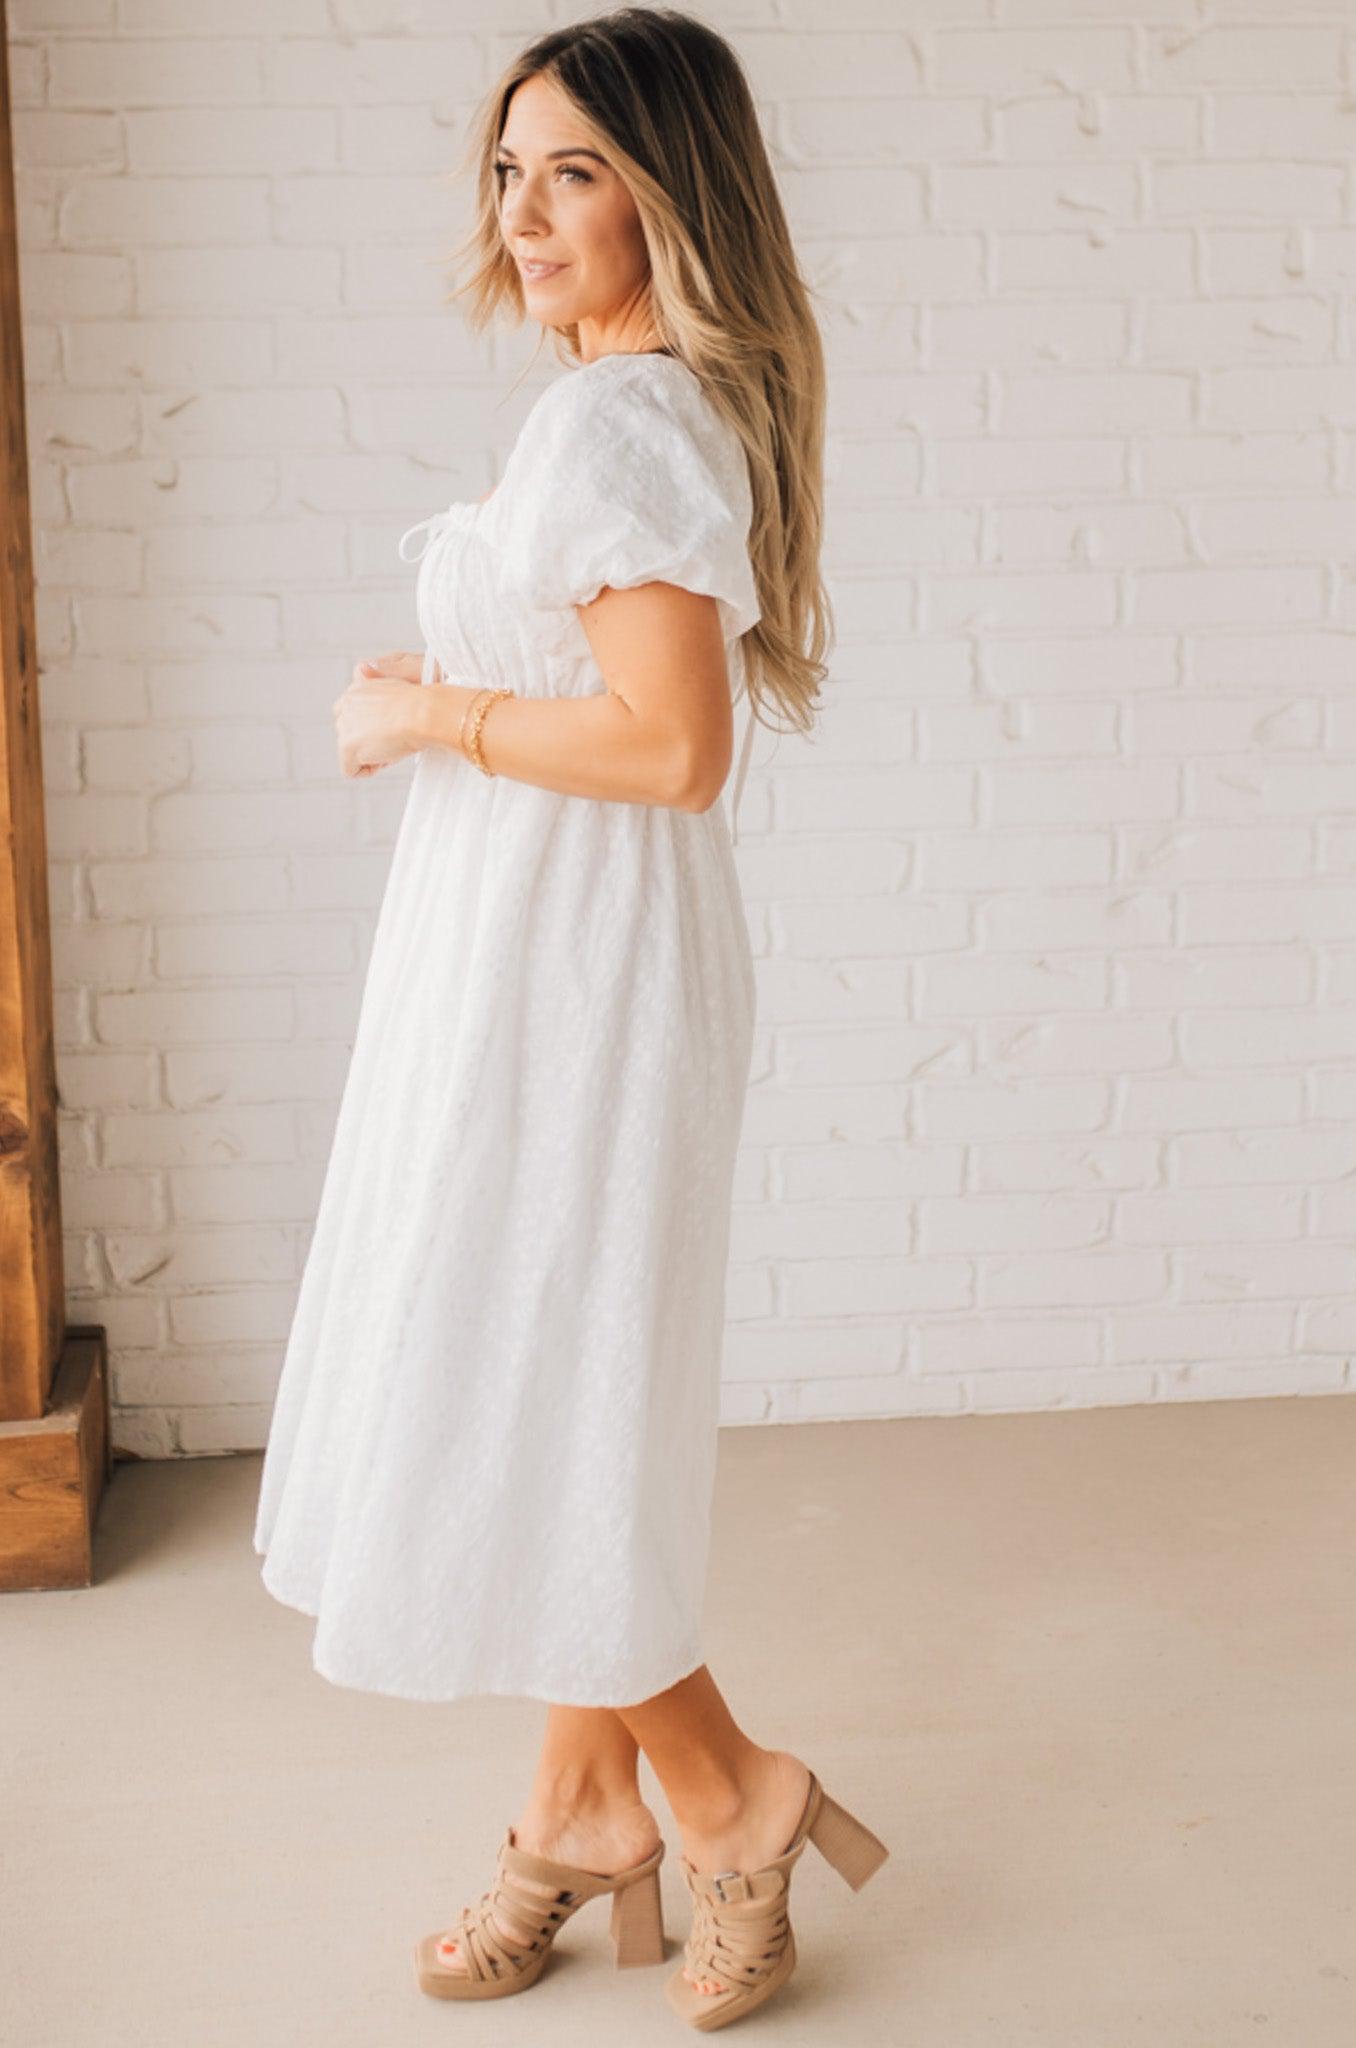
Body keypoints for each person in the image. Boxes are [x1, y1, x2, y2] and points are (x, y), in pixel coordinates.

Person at [251, 7, 888, 2030]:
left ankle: (722, 1787)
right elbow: (605, 683)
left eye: (576, 170)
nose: (524, 211)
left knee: (519, 1399)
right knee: (548, 1385)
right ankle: (579, 1811)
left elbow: (674, 745)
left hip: (572, 974)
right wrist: (452, 669)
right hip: (543, 949)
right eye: (510, 167)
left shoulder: (620, 422)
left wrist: (428, 711)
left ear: (667, 192)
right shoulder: (621, 399)